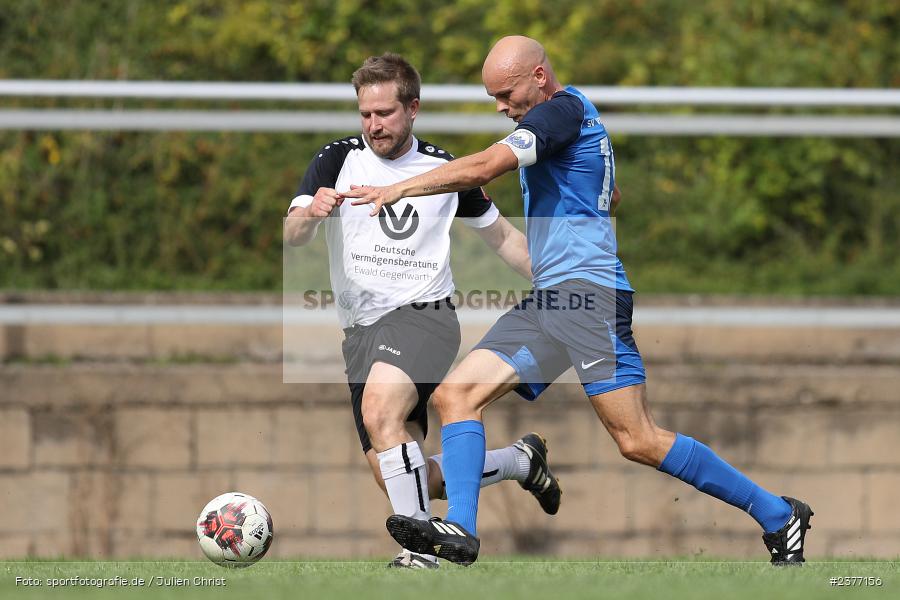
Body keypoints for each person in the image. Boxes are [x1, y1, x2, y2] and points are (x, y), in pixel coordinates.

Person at [344, 37, 813, 567]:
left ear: (539, 77)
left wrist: (403, 188)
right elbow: (601, 190)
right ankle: (463, 533)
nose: (501, 106)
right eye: (494, 97)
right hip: (552, 300)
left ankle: (778, 514)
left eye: (507, 93)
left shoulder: (561, 112)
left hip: (589, 298)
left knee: (637, 439)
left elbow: (483, 168)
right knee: (455, 397)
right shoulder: (562, 121)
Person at [283, 53, 562, 569]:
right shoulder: (334, 160)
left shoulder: (443, 169)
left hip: (424, 317)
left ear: (413, 109)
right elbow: (292, 234)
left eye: (385, 113)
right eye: (365, 114)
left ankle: (420, 557)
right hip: (359, 335)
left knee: (380, 413)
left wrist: (571, 285)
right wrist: (312, 213)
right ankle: (518, 462)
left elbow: (503, 239)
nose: (373, 125)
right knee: (406, 472)